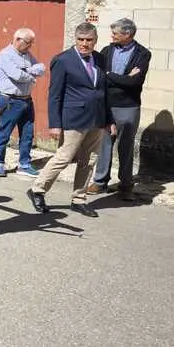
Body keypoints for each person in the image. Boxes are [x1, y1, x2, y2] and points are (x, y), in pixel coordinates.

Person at [27, 23, 116, 219]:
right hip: (74, 118)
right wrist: (55, 123)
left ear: (95, 40)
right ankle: (37, 189)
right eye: (81, 40)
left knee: (90, 160)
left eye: (89, 40)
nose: (85, 44)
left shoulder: (101, 59)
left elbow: (104, 92)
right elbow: (55, 95)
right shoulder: (63, 60)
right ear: (75, 39)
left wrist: (109, 120)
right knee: (64, 157)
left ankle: (79, 199)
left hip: (97, 118)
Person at [92, 18, 151, 202]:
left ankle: (126, 186)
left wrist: (111, 76)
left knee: (126, 146)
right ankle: (100, 182)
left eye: (115, 34)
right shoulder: (106, 51)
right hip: (107, 104)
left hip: (128, 106)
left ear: (127, 34)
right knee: (104, 145)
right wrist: (120, 78)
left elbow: (135, 82)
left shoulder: (143, 53)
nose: (112, 36)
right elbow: (100, 77)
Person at [0, 28, 46, 177]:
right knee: (4, 132)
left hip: (26, 99)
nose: (30, 46)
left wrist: (27, 69)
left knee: (27, 133)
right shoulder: (5, 55)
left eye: (31, 43)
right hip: (10, 100)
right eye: (28, 43)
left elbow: (41, 68)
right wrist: (31, 75)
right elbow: (16, 75)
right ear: (17, 40)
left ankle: (24, 164)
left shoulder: (27, 55)